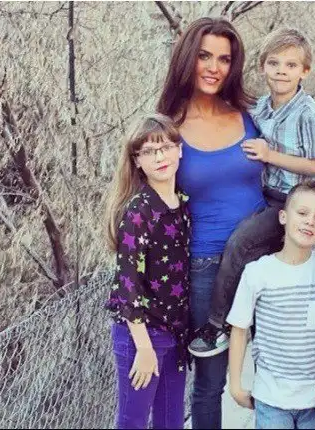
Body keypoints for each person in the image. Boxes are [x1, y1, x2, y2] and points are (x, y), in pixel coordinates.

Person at [189, 27, 315, 358]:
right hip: (267, 195)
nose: (281, 72)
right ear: (262, 67)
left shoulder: (309, 115)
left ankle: (217, 326)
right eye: (274, 63)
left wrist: (269, 155)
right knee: (257, 263)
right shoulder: (262, 108)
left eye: (291, 65)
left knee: (240, 244)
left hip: (294, 203)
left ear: (305, 71)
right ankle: (254, 329)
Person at [156, 17, 265, 429]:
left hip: (264, 260)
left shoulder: (251, 115)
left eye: (224, 58)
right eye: (205, 56)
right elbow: (146, 200)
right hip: (206, 267)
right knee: (209, 383)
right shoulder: (168, 125)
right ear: (188, 58)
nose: (214, 67)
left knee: (280, 368)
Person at [103, 114, 191, 429]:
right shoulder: (139, 212)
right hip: (141, 334)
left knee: (171, 422)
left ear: (180, 150)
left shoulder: (183, 203)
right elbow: (127, 284)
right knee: (133, 422)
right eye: (149, 151)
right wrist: (143, 347)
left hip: (174, 333)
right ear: (137, 160)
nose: (160, 157)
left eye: (166, 147)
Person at [227, 180, 315, 429]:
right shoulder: (257, 272)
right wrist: (235, 385)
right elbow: (239, 328)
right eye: (302, 213)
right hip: (271, 399)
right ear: (283, 216)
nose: (310, 222)